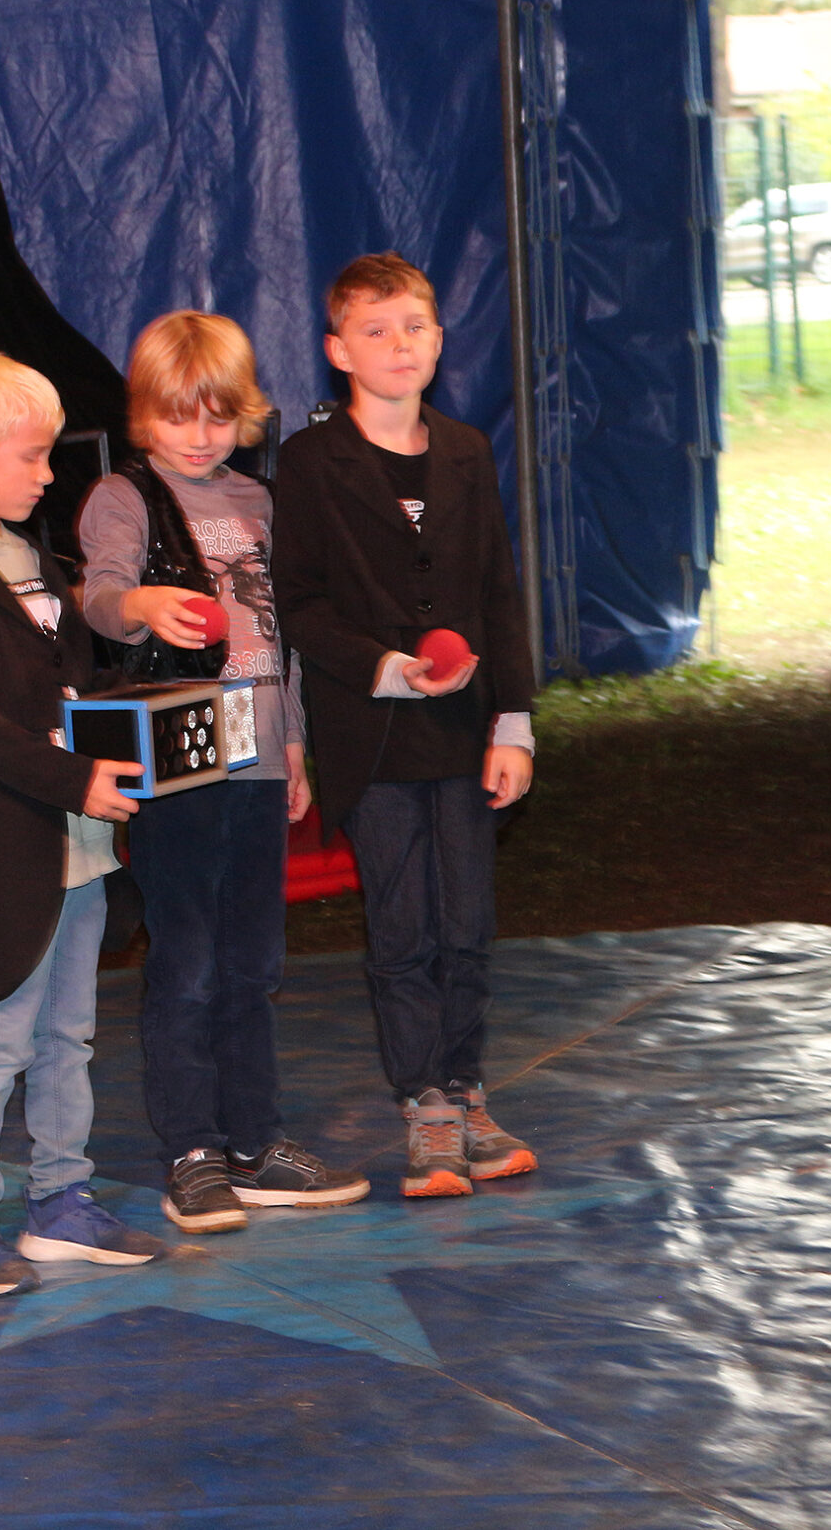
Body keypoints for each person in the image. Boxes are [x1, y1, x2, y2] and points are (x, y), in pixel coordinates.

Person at [76, 312, 370, 1234]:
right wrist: (141, 600)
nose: (199, 434)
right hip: (180, 761)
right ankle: (192, 1150)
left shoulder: (262, 502)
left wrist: (295, 746)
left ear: (244, 413)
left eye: (216, 416)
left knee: (254, 962)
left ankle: (254, 1142)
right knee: (189, 960)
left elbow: (284, 641)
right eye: (178, 416)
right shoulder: (123, 496)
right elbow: (98, 595)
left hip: (258, 756)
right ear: (143, 414)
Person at [0, 348, 171, 1295]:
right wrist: (73, 776)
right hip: (12, 845)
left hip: (81, 848)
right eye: (32, 456)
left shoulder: (34, 560)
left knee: (69, 1035)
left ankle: (60, 1201)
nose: (48, 475)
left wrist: (153, 714)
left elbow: (75, 687)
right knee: (0, 1036)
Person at [271, 255, 540, 1200]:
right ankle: (424, 1103)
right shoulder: (310, 463)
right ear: (339, 350)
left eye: (414, 327)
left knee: (467, 924)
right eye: (375, 330)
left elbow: (497, 590)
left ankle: (466, 1091)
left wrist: (514, 723)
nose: (399, 345)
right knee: (404, 929)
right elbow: (299, 603)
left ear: (439, 340)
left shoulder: (466, 450)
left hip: (464, 733)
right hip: (374, 738)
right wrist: (385, 666)